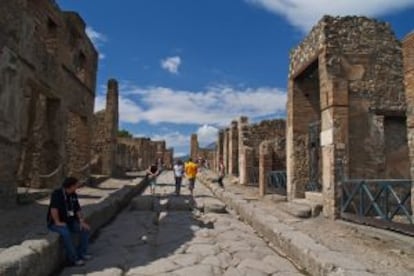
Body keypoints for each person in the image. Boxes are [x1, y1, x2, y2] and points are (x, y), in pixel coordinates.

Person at [46, 177, 91, 266]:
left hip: (70, 221)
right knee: (66, 234)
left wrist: (81, 221)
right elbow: (54, 209)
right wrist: (57, 222)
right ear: (71, 186)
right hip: (56, 223)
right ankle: (74, 259)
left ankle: (82, 253)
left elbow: (77, 209)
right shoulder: (57, 194)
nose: (78, 187)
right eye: (76, 185)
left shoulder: (73, 194)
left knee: (85, 229)